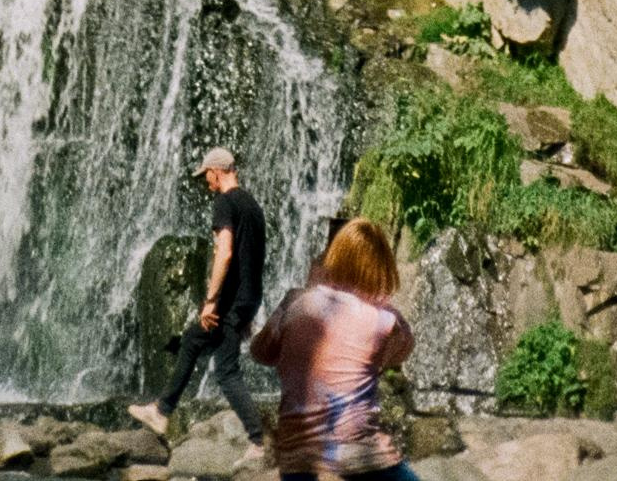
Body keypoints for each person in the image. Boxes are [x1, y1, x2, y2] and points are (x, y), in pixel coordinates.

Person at [250, 217, 416, 480]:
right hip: (360, 455)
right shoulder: (382, 320)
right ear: (378, 267)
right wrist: (383, 304)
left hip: (297, 457)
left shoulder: (294, 305)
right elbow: (401, 351)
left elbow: (260, 353)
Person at [130, 148, 268, 456]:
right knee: (193, 338)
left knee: (227, 371)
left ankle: (257, 441)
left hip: (230, 301)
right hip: (246, 297)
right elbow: (255, 258)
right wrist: (249, 308)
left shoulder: (225, 202)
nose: (205, 182)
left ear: (217, 171)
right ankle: (162, 410)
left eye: (206, 175)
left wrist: (210, 300)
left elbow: (226, 253)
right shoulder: (253, 206)